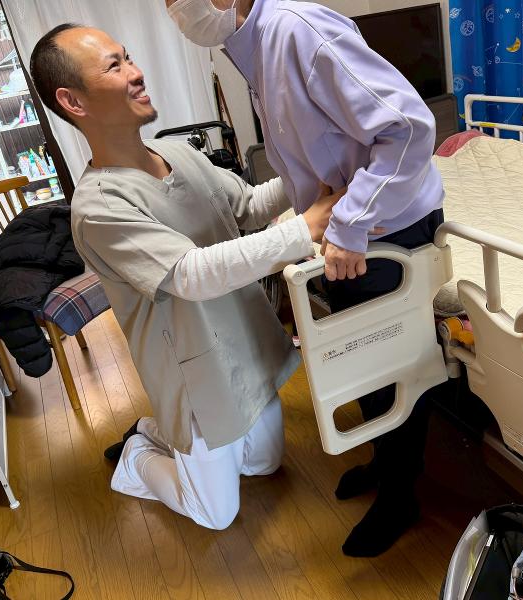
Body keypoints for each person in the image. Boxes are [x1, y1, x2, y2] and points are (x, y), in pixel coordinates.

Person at [29, 24, 344, 530]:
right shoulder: (99, 207)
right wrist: (305, 228)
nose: (136, 73)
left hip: (242, 342)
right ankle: (137, 455)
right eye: (114, 66)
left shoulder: (177, 153)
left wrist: (307, 175)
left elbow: (246, 205)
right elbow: (190, 275)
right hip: (194, 375)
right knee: (216, 513)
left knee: (263, 465)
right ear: (73, 101)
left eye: (130, 57)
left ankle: (161, 434)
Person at [166, 0, 446, 556]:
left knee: (390, 366)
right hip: (348, 232)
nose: (176, 10)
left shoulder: (297, 31)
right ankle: (385, 462)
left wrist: (349, 224)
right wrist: (311, 222)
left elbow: (410, 129)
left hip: (385, 227)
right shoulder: (252, 49)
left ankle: (401, 495)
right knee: (363, 365)